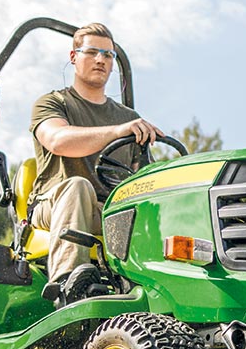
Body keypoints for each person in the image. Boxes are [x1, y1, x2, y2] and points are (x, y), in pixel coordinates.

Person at [28, 22, 164, 302]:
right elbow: (58, 140)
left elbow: (144, 178)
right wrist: (116, 132)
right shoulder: (53, 102)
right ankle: (68, 285)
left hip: (108, 211)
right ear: (74, 56)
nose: (101, 59)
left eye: (108, 55)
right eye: (92, 52)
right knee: (77, 187)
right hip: (54, 204)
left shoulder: (128, 116)